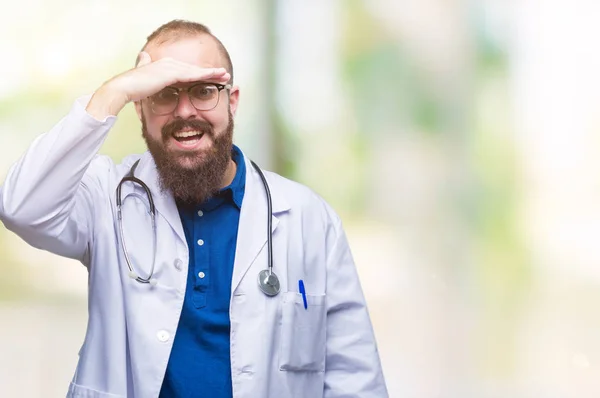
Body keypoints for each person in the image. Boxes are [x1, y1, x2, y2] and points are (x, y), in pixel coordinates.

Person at [0, 19, 388, 398]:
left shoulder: (308, 218)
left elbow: (355, 379)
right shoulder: (106, 197)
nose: (185, 111)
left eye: (204, 91)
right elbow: (22, 207)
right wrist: (113, 92)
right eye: (164, 93)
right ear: (140, 108)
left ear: (232, 101)